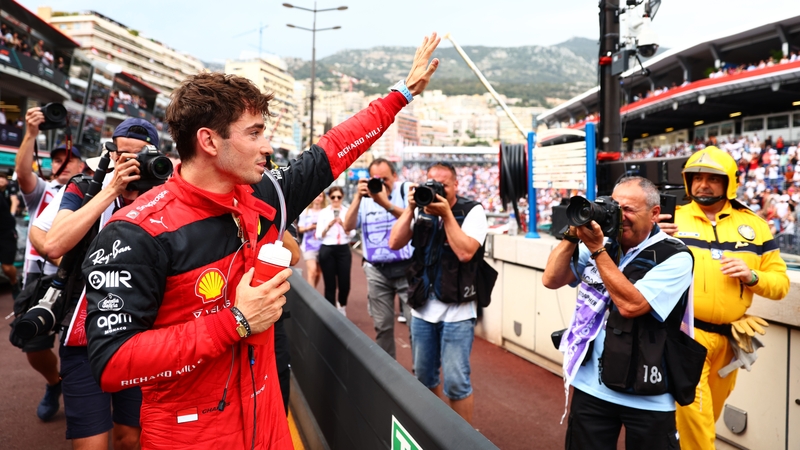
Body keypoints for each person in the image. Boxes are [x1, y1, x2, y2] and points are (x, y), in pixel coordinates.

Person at [81, 34, 440, 449]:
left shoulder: (266, 193)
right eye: (254, 134)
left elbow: (335, 148)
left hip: (268, 427)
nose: (268, 147)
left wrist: (401, 95)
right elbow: (111, 364)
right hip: (190, 437)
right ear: (209, 141)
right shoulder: (135, 232)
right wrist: (234, 321)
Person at [542, 177, 693, 449]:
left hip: (649, 393)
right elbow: (551, 279)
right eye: (615, 207)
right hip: (591, 386)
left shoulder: (676, 257)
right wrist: (572, 234)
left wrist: (598, 250)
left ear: (655, 213)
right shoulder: (604, 244)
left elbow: (631, 305)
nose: (619, 216)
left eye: (629, 210)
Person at [40, 118, 164, 449]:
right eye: (124, 154)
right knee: (90, 444)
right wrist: (111, 188)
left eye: (141, 155)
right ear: (110, 154)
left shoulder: (165, 196)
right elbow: (53, 245)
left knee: (130, 438)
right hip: (85, 335)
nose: (132, 163)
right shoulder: (85, 188)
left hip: (143, 337)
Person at [659, 146, 789, 450]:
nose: (703, 184)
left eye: (713, 179)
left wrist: (752, 276)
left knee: (707, 418)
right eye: (697, 177)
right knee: (699, 426)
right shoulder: (669, 221)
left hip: (729, 343)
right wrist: (653, 240)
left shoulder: (756, 227)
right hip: (685, 337)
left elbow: (781, 284)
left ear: (730, 183)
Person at [388, 162, 488, 425]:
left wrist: (446, 215)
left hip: (458, 310)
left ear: (456, 185)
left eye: (443, 185)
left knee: (456, 382)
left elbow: (466, 252)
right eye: (431, 182)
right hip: (422, 308)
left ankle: (462, 440)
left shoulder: (472, 211)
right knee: (423, 377)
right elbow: (394, 242)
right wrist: (410, 208)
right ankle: (433, 432)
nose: (436, 189)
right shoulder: (419, 209)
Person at [14, 106, 85, 422]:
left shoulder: (92, 192)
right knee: (32, 343)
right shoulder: (43, 192)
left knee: (81, 344)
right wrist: (31, 134)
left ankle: (85, 398)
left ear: (84, 165)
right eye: (57, 160)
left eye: (69, 159)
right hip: (40, 277)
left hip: (79, 280)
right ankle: (53, 382)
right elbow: (23, 173)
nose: (62, 163)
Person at [344, 158, 413, 358]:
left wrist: (385, 203)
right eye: (377, 179)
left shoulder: (405, 191)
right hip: (377, 270)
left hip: (407, 268)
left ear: (395, 176)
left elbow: (414, 217)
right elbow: (348, 226)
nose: (381, 183)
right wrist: (358, 197)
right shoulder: (365, 198)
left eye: (385, 179)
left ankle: (420, 378)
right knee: (382, 326)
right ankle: (388, 377)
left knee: (415, 325)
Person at [315, 185, 354, 315]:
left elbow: (352, 233)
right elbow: (319, 235)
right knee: (330, 284)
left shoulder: (347, 211)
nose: (336, 199)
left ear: (342, 197)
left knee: (345, 283)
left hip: (343, 248)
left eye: (338, 197)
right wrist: (329, 225)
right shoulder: (324, 212)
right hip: (327, 248)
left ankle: (342, 305)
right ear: (330, 198)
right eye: (333, 197)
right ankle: (330, 312)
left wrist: (343, 225)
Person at [297, 192, 325, 287]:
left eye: (320, 196)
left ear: (323, 198)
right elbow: (300, 228)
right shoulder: (306, 212)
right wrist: (309, 228)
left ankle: (313, 291)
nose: (318, 198)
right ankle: (310, 298)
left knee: (318, 273)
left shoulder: (325, 212)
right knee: (312, 271)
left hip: (322, 246)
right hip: (309, 246)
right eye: (317, 195)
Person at [0, 176, 19, 293]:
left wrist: (12, 215)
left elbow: (15, 201)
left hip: (6, 233)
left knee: (7, 267)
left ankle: (14, 282)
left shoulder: (10, 188)